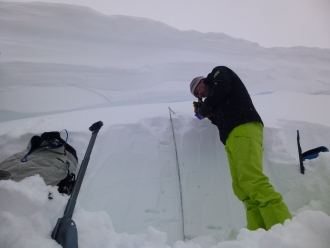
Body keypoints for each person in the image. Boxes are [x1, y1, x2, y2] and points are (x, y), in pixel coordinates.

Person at [190, 66, 291, 231]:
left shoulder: (219, 73)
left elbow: (223, 87)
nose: (199, 96)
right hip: (231, 137)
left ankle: (283, 228)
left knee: (251, 179)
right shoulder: (215, 100)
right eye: (197, 96)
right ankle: (259, 233)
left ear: (202, 81)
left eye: (197, 91)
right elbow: (218, 119)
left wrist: (206, 107)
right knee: (241, 186)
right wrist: (208, 114)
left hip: (244, 127)